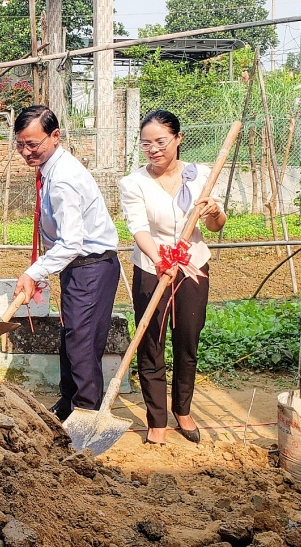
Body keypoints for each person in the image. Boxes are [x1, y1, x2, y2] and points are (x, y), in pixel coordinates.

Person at [118, 110, 225, 445]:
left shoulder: (202, 176)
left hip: (193, 266)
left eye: (161, 142)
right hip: (153, 267)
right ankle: (157, 420)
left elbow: (215, 226)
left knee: (187, 339)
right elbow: (139, 228)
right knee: (151, 341)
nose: (153, 149)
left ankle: (183, 410)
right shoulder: (133, 183)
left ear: (178, 139)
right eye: (146, 143)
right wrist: (159, 260)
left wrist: (214, 211)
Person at [13, 105, 120, 421]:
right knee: (70, 337)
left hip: (91, 267)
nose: (26, 152)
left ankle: (86, 412)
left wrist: (35, 270)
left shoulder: (63, 179)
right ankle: (68, 401)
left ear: (55, 136)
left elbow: (72, 242)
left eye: (33, 144)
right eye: (20, 144)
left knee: (82, 342)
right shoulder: (50, 170)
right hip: (78, 267)